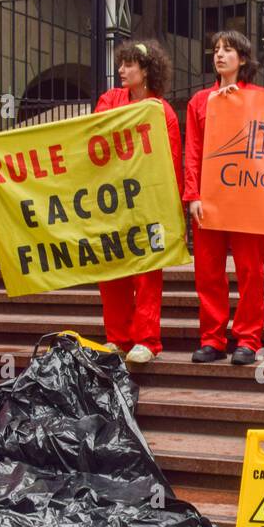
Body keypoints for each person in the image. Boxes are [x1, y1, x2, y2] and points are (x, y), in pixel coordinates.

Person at [94, 40, 184, 365]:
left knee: (147, 272)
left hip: (147, 202)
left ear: (145, 70)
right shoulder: (108, 100)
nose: (121, 70)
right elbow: (93, 137)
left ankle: (146, 340)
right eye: (121, 64)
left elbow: (172, 161)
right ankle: (117, 338)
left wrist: (169, 206)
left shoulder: (163, 112)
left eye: (129, 64)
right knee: (111, 270)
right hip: (112, 200)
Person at [183, 30, 264, 365]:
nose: (219, 55)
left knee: (250, 271)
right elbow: (192, 151)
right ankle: (212, 339)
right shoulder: (199, 101)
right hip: (209, 200)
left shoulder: (259, 97)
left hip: (250, 200)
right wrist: (192, 195)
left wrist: (240, 106)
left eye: (228, 50)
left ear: (243, 59)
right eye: (216, 49)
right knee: (207, 273)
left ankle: (248, 339)